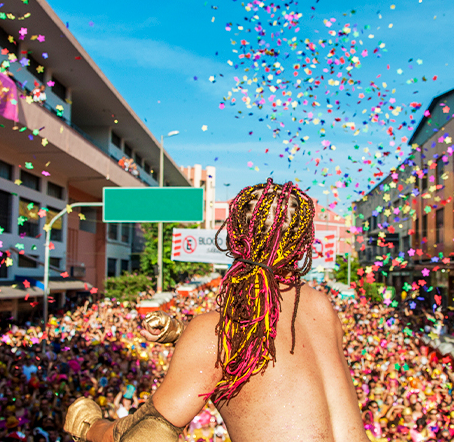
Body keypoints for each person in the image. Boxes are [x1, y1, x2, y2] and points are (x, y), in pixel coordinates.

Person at [64, 179, 370, 442]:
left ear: (234, 238)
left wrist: (90, 426)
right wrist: (183, 333)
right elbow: (281, 356)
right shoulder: (321, 306)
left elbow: (147, 435)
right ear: (303, 244)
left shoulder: (214, 333)